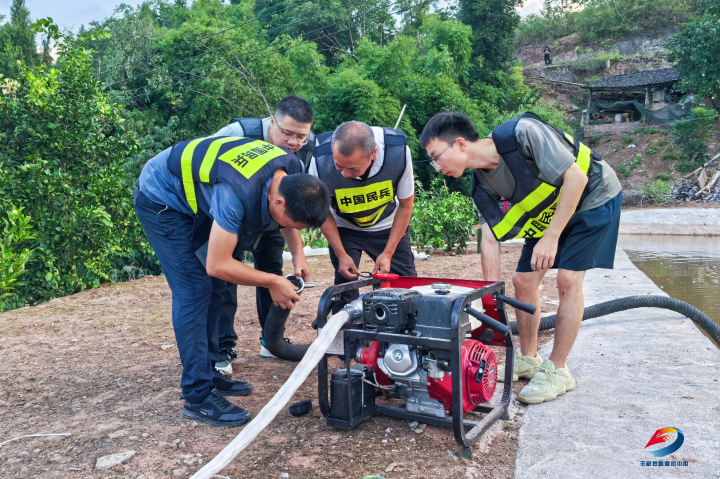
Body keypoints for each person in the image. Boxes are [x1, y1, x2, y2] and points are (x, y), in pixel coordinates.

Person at [420, 111, 622, 404]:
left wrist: (551, 238)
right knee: (523, 281)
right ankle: (529, 359)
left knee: (567, 278)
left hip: (593, 195)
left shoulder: (523, 134)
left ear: (460, 144)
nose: (437, 167)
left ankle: (559, 369)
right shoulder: (482, 186)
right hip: (550, 212)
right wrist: (488, 296)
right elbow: (489, 237)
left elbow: (576, 178)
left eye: (436, 157)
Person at [135, 128, 330, 427]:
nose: (296, 229)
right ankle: (197, 397)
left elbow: (289, 219)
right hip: (162, 199)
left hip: (198, 195)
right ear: (279, 203)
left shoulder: (292, 171)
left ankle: (209, 370)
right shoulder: (236, 193)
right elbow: (217, 264)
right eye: (295, 224)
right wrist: (272, 281)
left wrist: (299, 254)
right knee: (195, 288)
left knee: (216, 287)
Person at [211, 96, 317, 367]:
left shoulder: (305, 148)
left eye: (301, 137)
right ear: (271, 121)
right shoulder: (236, 135)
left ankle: (272, 341)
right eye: (287, 133)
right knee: (224, 280)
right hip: (231, 216)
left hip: (272, 217)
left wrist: (298, 255)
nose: (293, 143)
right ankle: (222, 350)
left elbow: (291, 206)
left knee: (273, 275)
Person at [309, 121, 417, 313]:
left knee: (406, 286)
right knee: (346, 288)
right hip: (346, 226)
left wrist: (388, 253)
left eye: (353, 169)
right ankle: (347, 339)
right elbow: (323, 213)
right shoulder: (319, 159)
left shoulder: (397, 152)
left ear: (373, 154)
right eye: (338, 165)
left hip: (388, 225)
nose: (344, 175)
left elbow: (406, 204)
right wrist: (341, 255)